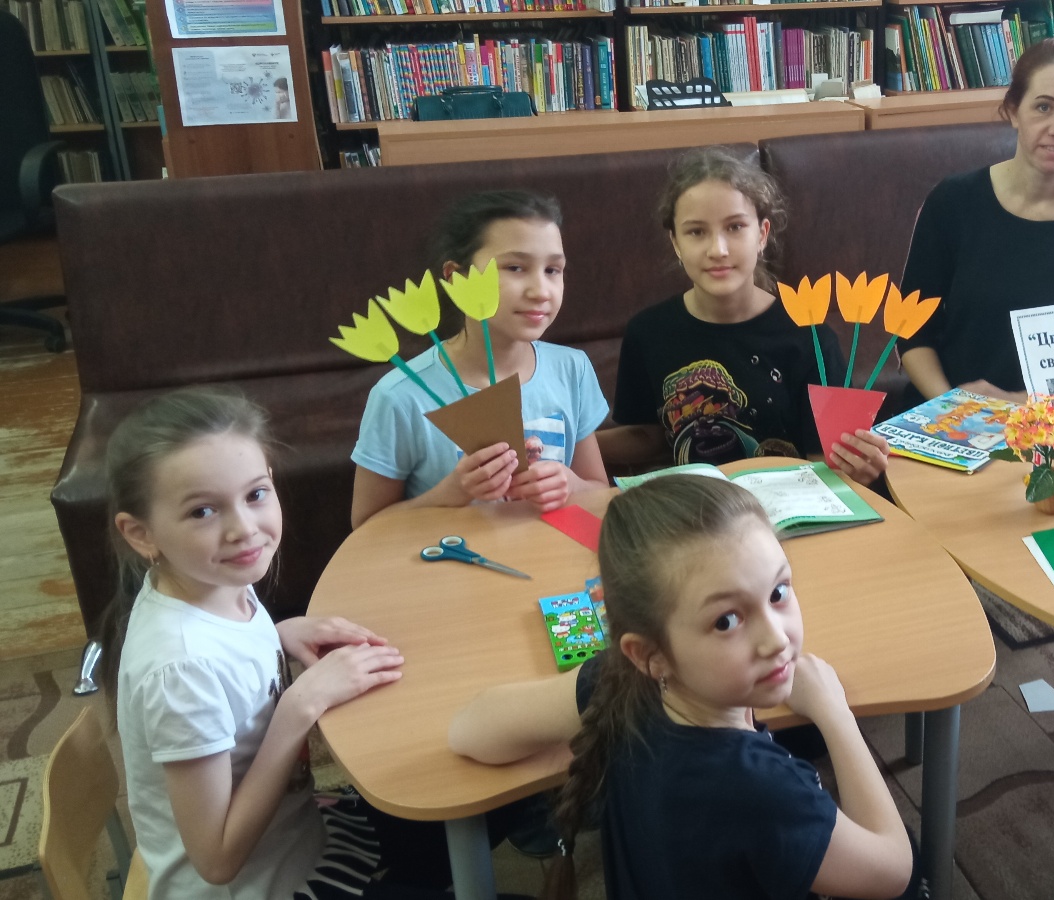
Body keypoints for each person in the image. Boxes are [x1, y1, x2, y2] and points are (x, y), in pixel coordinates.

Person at [449, 475, 918, 900]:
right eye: (726, 621)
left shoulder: (619, 681)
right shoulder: (762, 790)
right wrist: (835, 714)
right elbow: (893, 870)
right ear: (648, 653)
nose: (776, 640)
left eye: (778, 592)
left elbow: (469, 731)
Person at [101, 387, 451, 898]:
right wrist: (300, 707)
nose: (244, 529)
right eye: (202, 512)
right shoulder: (179, 669)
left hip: (296, 830)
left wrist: (279, 634)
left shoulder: (211, 583)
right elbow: (216, 859)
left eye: (255, 494)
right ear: (141, 534)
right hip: (260, 884)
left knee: (465, 803)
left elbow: (224, 663)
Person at [599, 147, 891, 486]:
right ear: (676, 243)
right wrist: (569, 446)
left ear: (762, 235)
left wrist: (859, 468)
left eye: (735, 227)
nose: (718, 250)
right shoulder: (648, 332)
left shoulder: (810, 336)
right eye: (696, 232)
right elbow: (648, 436)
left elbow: (826, 462)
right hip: (698, 507)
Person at [897, 37, 1054, 408]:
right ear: (1014, 111)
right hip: (946, 415)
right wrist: (955, 407)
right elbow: (912, 332)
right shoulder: (952, 202)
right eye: (1044, 107)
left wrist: (1015, 405)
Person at [351, 190, 609, 529]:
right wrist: (451, 492)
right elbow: (366, 525)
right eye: (515, 267)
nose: (541, 291)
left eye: (552, 270)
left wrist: (571, 484)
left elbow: (599, 489)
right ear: (455, 277)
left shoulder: (572, 369)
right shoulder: (399, 396)